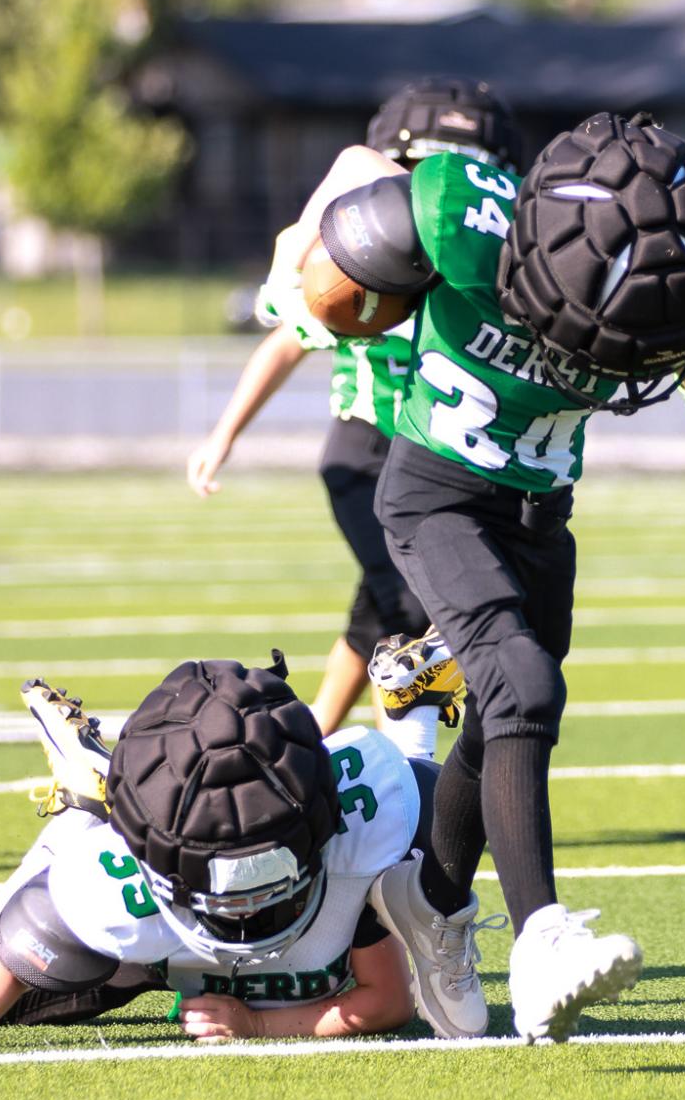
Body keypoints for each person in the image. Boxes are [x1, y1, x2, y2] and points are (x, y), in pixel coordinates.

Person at [298, 109, 685, 1044]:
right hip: (436, 489)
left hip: (538, 511)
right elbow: (330, 290)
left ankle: (430, 899)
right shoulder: (459, 214)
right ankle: (541, 937)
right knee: (523, 681)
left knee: (502, 717)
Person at [187, 77, 523, 740]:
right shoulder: (375, 276)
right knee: (411, 608)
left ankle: (302, 749)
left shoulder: (464, 285)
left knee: (373, 615)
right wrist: (223, 435)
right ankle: (407, 771)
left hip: (425, 465)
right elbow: (285, 344)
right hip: (365, 460)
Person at [0, 660, 470, 1054]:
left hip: (203, 898)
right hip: (163, 950)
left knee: (431, 830)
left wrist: (257, 1025)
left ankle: (413, 712)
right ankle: (82, 817)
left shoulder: (358, 838)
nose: (247, 916)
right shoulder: (123, 881)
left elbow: (389, 1000)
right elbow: (37, 930)